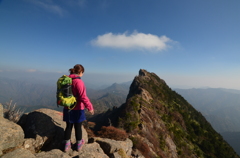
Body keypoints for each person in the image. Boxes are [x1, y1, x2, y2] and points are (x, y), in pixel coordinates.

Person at [63, 64, 94, 152]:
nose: (82, 75)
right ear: (80, 72)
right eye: (82, 73)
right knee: (78, 127)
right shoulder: (79, 82)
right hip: (77, 108)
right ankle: (79, 145)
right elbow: (82, 97)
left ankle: (66, 145)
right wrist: (90, 107)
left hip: (67, 107)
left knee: (68, 126)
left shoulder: (66, 80)